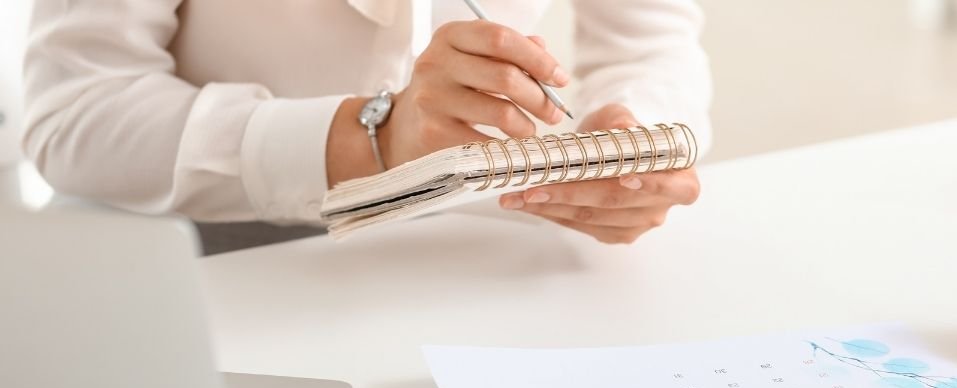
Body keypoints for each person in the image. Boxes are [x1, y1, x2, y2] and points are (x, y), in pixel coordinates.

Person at [21, 0, 711, 250]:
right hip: (190, 277)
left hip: (452, 264)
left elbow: (650, 47)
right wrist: (373, 139)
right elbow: (74, 114)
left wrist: (632, 143)